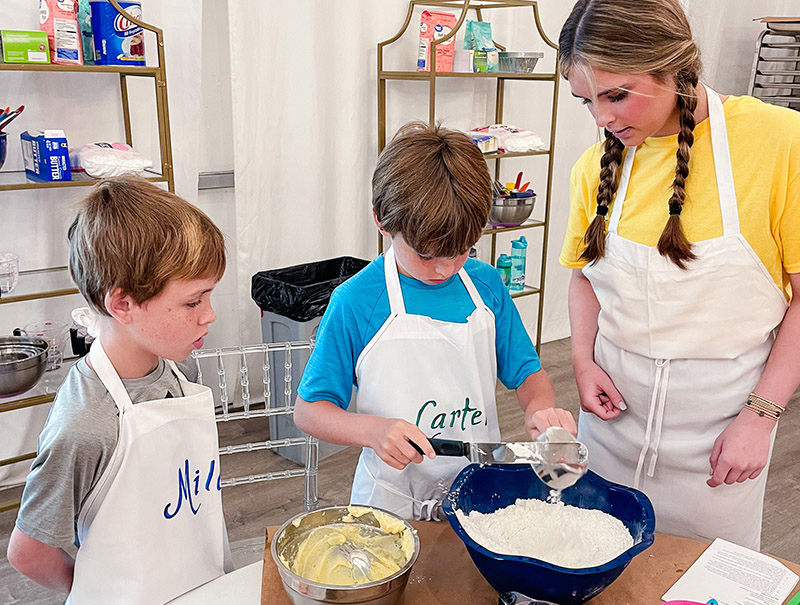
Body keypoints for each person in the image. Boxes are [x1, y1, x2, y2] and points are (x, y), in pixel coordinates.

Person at [558, 0, 800, 549]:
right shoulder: (594, 168)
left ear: (673, 64)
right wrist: (581, 361)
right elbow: (584, 278)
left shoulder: (778, 144)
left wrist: (761, 417)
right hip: (610, 428)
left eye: (616, 95)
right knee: (598, 570)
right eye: (586, 101)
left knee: (704, 596)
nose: (602, 119)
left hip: (721, 435)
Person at [294, 122, 576, 521]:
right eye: (426, 255)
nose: (444, 269)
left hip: (479, 488)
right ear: (382, 220)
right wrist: (373, 431)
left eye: (462, 250)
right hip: (391, 495)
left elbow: (529, 375)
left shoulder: (486, 286)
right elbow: (309, 411)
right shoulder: (357, 301)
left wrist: (540, 412)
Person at [6, 177, 231, 605]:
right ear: (123, 304)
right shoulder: (85, 425)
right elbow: (28, 552)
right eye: (193, 301)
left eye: (209, 296)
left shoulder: (171, 372)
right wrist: (96, 593)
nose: (209, 315)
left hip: (191, 598)